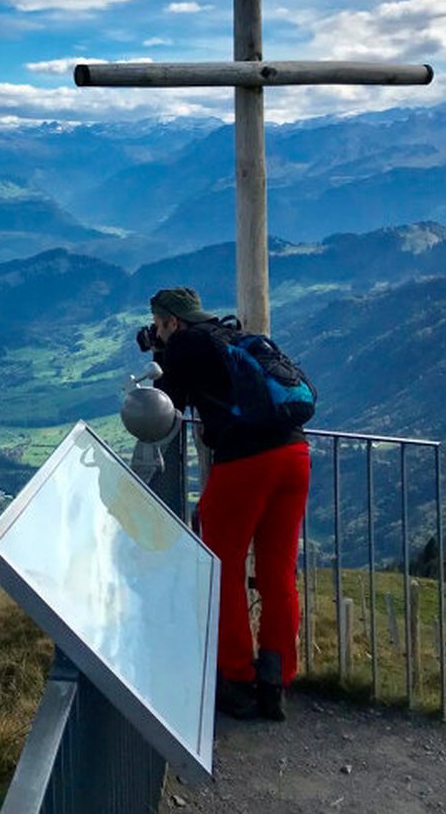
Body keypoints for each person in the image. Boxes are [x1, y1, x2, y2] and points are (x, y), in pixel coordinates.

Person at [146, 286, 310, 722]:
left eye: (159, 325)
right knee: (278, 573)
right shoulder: (231, 334)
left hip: (245, 464)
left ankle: (236, 679)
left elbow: (166, 404)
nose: (157, 332)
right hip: (294, 455)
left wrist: (162, 353)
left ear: (172, 321)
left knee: (221, 568)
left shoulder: (183, 344)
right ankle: (275, 682)